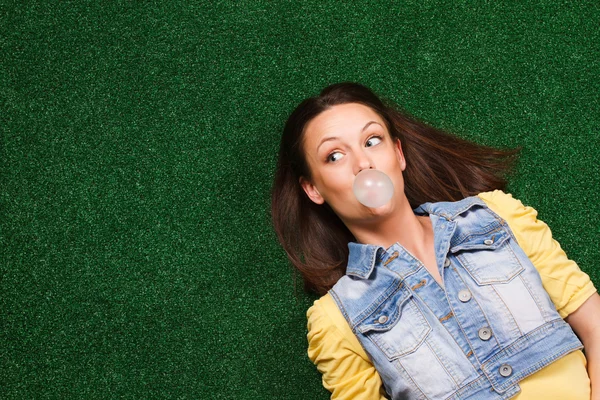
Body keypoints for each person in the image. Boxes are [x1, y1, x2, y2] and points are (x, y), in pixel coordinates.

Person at [271, 82, 600, 399]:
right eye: (334, 156)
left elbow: (595, 326)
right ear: (312, 188)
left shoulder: (499, 215)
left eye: (372, 141)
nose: (363, 164)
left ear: (398, 154)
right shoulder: (336, 320)